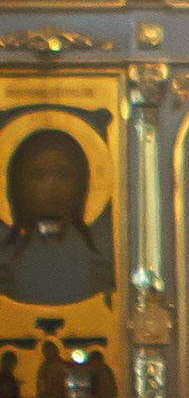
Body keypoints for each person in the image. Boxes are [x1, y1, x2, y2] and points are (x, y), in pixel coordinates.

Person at [0, 128, 112, 307]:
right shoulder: (5, 260)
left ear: (81, 183)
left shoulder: (98, 264)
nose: (52, 187)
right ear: (18, 184)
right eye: (38, 175)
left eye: (64, 174)